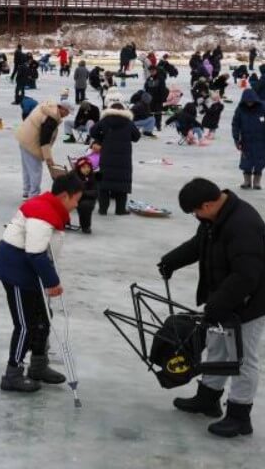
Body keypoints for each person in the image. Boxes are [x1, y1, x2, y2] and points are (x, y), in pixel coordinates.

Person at [158, 178, 265, 438]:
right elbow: (199, 246)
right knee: (216, 347)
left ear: (207, 204)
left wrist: (217, 304)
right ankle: (208, 398)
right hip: (224, 298)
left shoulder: (243, 225)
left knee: (241, 358)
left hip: (249, 304)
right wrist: (172, 260)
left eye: (196, 211)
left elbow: (247, 276)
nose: (196, 216)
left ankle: (240, 416)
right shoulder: (213, 219)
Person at [0, 173, 83, 392]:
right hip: (17, 272)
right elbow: (35, 253)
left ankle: (38, 366)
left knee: (43, 317)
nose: (77, 204)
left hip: (29, 272)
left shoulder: (50, 208)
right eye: (76, 199)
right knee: (25, 325)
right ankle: (12, 374)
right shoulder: (42, 212)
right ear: (64, 196)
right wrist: (52, 282)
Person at [90, 102, 140, 215]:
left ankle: (102, 209)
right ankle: (120, 209)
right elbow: (136, 137)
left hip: (107, 157)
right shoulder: (128, 122)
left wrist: (101, 137)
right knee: (122, 184)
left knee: (103, 184)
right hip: (123, 159)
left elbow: (93, 131)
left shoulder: (105, 120)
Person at [15, 101, 70, 198]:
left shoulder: (48, 107)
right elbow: (44, 139)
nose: (67, 115)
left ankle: (26, 191)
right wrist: (48, 158)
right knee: (35, 170)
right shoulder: (52, 118)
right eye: (67, 112)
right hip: (31, 143)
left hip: (23, 138)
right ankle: (34, 195)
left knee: (27, 168)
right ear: (62, 108)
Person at [232, 89, 265, 190]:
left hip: (261, 140)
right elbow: (235, 124)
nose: (249, 103)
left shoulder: (263, 107)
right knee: (247, 162)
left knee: (260, 161)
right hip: (246, 140)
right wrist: (236, 139)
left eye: (251, 101)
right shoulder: (240, 109)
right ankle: (247, 181)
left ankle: (257, 182)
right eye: (247, 102)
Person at [144, 66, 168, 131]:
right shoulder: (149, 79)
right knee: (150, 113)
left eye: (153, 71)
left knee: (158, 113)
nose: (151, 72)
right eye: (150, 71)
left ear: (156, 70)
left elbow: (163, 89)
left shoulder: (160, 78)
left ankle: (158, 126)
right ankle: (151, 125)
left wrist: (163, 99)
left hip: (158, 99)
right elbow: (146, 88)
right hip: (150, 99)